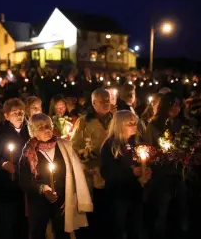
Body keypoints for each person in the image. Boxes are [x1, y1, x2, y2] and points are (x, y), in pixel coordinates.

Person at [19, 113, 93, 239]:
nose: (47, 130)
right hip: (38, 202)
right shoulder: (29, 152)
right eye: (41, 127)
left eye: (48, 126)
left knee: (62, 233)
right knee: (38, 233)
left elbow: (74, 173)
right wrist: (42, 188)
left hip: (62, 201)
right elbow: (24, 180)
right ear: (32, 131)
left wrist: (69, 197)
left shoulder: (64, 146)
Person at [100, 110, 151, 239]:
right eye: (130, 123)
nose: (134, 125)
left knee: (135, 228)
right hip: (118, 194)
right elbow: (106, 171)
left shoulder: (135, 142)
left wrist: (146, 170)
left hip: (135, 193)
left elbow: (141, 161)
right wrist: (131, 172)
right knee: (118, 229)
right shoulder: (110, 145)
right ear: (120, 124)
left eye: (135, 122)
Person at [144, 92, 188, 239]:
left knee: (179, 213)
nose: (176, 107)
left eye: (178, 105)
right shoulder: (154, 124)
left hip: (179, 174)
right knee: (160, 213)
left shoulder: (182, 124)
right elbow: (150, 149)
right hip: (161, 176)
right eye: (172, 104)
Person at [70, 88, 112, 237]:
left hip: (112, 174)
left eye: (108, 100)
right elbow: (74, 146)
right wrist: (86, 155)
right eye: (102, 101)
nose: (107, 103)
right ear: (94, 102)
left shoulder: (116, 120)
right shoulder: (83, 122)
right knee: (93, 214)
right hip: (92, 174)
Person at [0, 98, 30, 239]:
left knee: (24, 220)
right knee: (8, 219)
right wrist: (3, 164)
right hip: (7, 182)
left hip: (25, 181)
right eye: (14, 112)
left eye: (21, 112)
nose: (19, 115)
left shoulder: (29, 130)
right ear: (6, 115)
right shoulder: (0, 132)